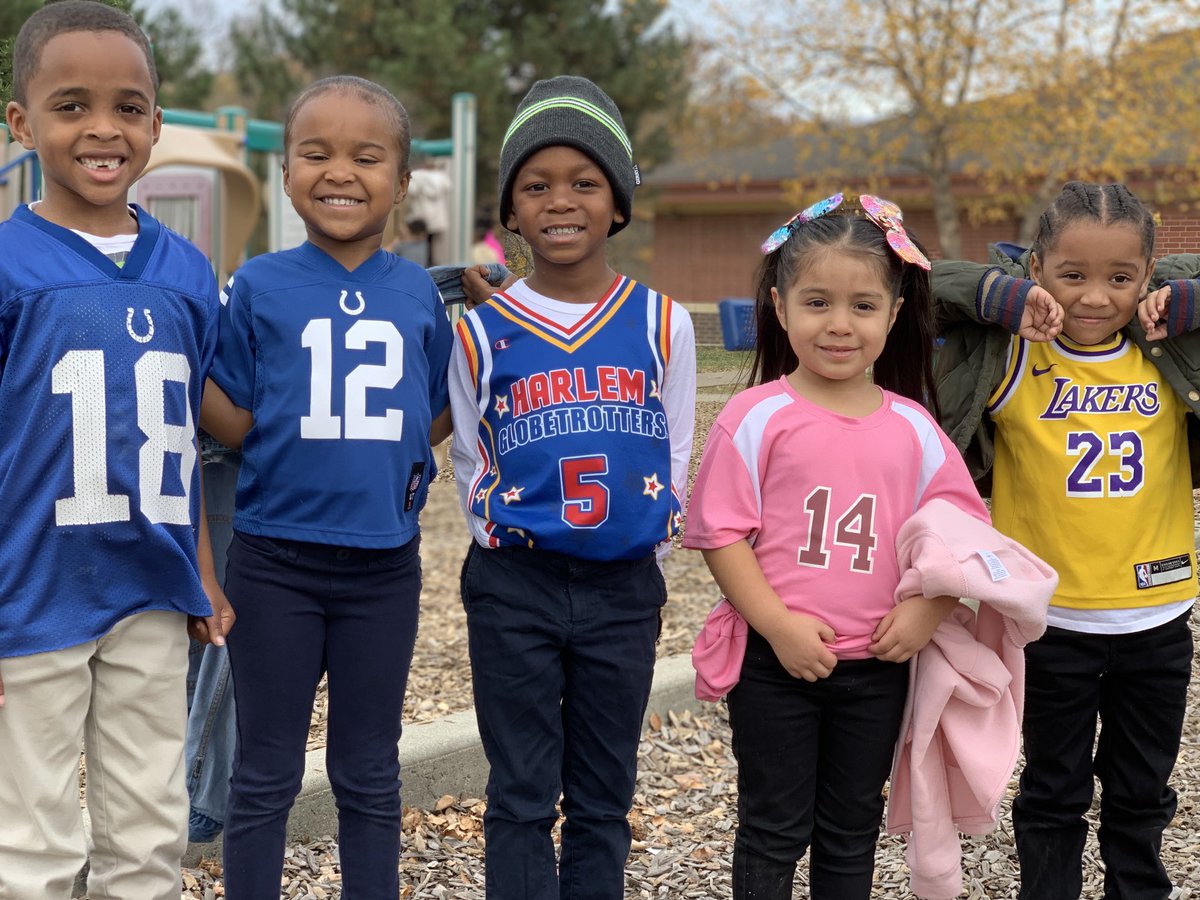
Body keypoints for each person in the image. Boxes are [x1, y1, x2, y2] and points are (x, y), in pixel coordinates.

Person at [682, 193, 989, 900]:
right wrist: (778, 626)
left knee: (851, 829)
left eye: (862, 305)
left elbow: (961, 537)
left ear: (895, 312)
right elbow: (722, 534)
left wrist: (928, 611)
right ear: (781, 308)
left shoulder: (914, 430)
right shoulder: (755, 417)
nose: (839, 325)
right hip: (774, 666)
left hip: (876, 670)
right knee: (774, 827)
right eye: (817, 303)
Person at [200, 75, 453, 899]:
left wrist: (398, 461)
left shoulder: (419, 291)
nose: (340, 170)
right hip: (274, 561)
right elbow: (234, 419)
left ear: (403, 182)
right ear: (286, 173)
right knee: (265, 770)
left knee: (370, 771)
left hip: (384, 567)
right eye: (317, 152)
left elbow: (436, 408)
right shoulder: (258, 285)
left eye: (366, 156)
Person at [0, 2, 232, 897]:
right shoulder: (12, 261)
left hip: (152, 586)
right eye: (71, 105)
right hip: (32, 593)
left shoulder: (184, 268)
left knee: (148, 830)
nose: (104, 128)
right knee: (33, 843)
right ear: (21, 123)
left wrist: (204, 570)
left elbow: (186, 446)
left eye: (129, 106)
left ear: (157, 124)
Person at [448, 75, 697, 899]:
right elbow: (468, 456)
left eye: (585, 181)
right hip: (515, 585)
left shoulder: (664, 321)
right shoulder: (481, 328)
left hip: (624, 587)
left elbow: (676, 439)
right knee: (520, 792)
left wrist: (650, 532)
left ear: (618, 201)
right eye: (536, 184)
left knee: (602, 794)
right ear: (510, 211)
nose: (562, 200)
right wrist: (497, 533)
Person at [933, 180, 1198, 899]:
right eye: (1072, 275)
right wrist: (1001, 298)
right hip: (1049, 624)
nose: (1094, 297)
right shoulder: (1010, 353)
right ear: (1038, 269)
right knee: (1054, 789)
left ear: (1148, 277)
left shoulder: (1170, 354)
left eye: (1120, 278)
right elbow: (913, 286)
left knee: (1143, 790)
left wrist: (1188, 300)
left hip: (1159, 614)